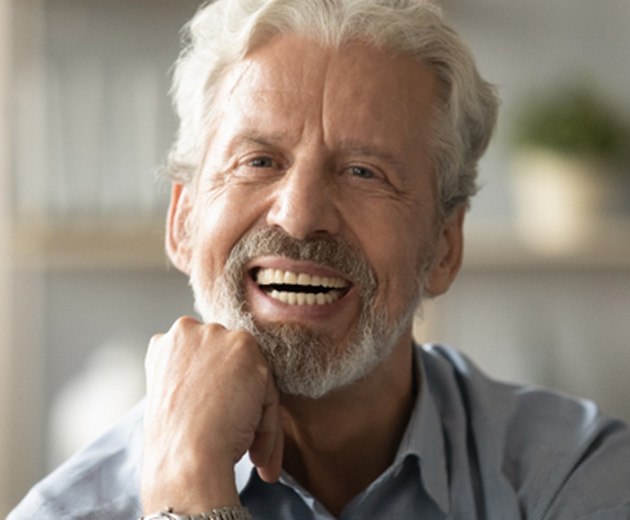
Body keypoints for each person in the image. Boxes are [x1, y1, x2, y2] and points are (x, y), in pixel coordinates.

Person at [9, 0, 630, 518]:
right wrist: (185, 479)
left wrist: (190, 498)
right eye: (258, 161)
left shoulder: (575, 478)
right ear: (183, 221)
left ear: (444, 247)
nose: (300, 214)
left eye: (364, 171)